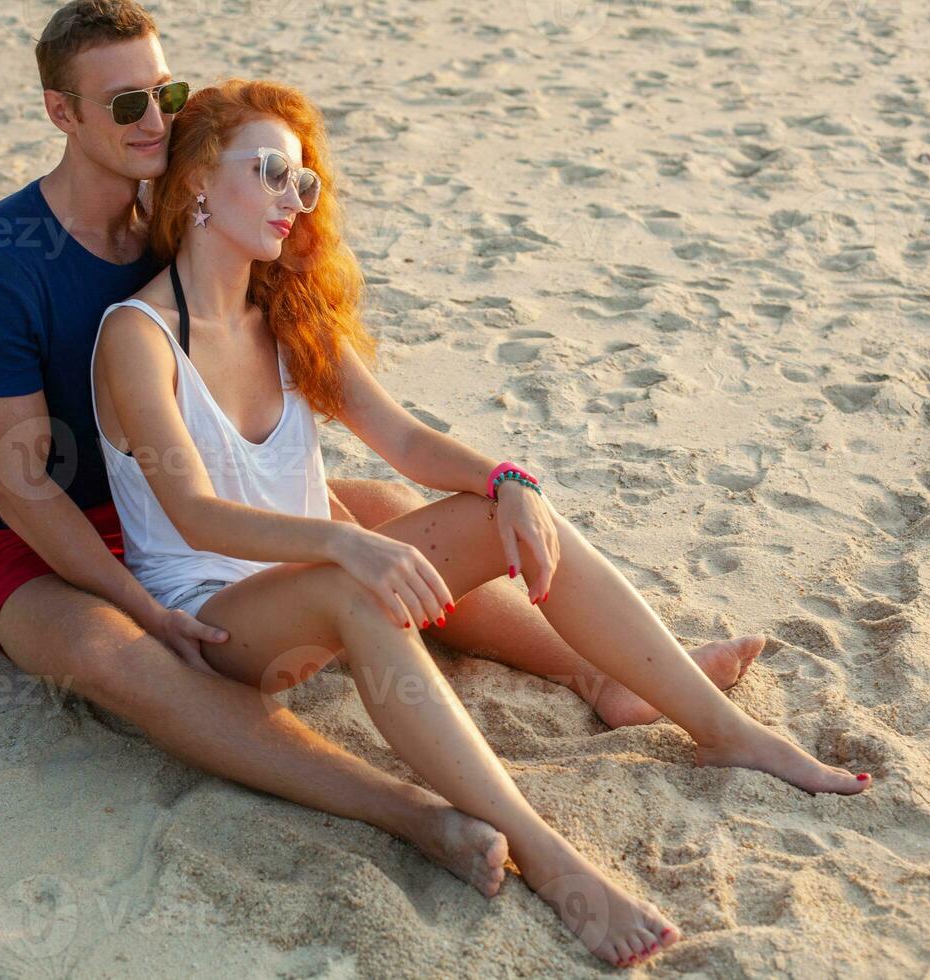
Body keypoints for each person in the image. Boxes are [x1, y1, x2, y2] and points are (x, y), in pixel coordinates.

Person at [0, 0, 766, 925]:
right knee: (121, 653)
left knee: (372, 501)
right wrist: (137, 602)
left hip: (182, 498)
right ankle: (406, 809)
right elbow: (21, 489)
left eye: (167, 94)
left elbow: (267, 377)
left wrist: (501, 476)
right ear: (63, 115)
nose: (160, 122)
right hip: (35, 536)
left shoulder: (181, 225)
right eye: (127, 106)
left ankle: (595, 673)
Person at [89, 77, 874, 969]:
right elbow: (192, 508)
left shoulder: (285, 316)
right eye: (269, 172)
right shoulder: (139, 334)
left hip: (325, 575)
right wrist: (348, 539)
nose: (289, 200)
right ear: (195, 182)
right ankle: (549, 856)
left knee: (497, 515)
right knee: (356, 582)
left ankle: (720, 729)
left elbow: (406, 441)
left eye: (302, 184)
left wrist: (508, 479)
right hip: (219, 620)